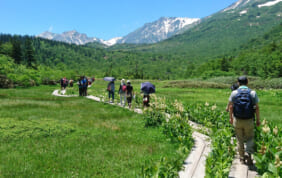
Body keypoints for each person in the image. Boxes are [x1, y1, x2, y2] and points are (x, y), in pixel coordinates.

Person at [228, 76, 260, 165]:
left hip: (237, 119)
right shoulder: (253, 93)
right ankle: (249, 155)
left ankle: (242, 158)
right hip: (249, 120)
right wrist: (258, 120)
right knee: (250, 138)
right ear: (247, 82)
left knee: (239, 139)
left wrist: (231, 118)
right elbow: (257, 108)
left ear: (238, 83)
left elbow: (231, 107)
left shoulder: (234, 93)